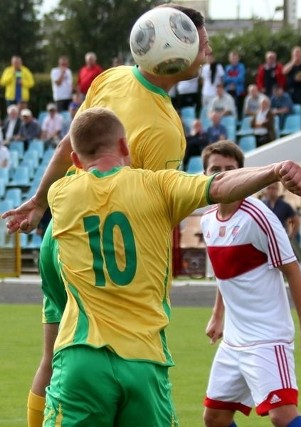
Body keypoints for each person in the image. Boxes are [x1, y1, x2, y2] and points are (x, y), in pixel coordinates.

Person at [1, 6, 213, 427]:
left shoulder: (112, 76)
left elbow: (71, 142)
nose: (207, 48)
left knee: (58, 357)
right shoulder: (166, 131)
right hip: (106, 251)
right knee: (124, 355)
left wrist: (40, 200)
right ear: (176, 50)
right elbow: (149, 210)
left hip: (61, 239)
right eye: (199, 39)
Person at [41, 107, 301, 426]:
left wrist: (34, 202)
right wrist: (274, 170)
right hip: (144, 360)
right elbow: (220, 186)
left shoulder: (61, 194)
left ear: (75, 162)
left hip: (80, 355)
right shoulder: (159, 186)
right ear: (125, 147)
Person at [199, 141, 301, 427]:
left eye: (230, 169)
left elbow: (293, 271)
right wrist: (217, 315)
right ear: (204, 174)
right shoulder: (207, 219)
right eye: (215, 169)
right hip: (233, 340)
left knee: (282, 416)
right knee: (215, 418)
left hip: (268, 338)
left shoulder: (258, 216)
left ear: (243, 174)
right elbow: (225, 274)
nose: (223, 175)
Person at [263, 182, 301, 273]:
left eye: (273, 188)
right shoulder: (263, 205)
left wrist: (292, 234)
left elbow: (296, 220)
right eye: (268, 188)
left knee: (290, 258)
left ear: (277, 190)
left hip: (282, 237)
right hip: (266, 238)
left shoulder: (284, 205)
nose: (270, 190)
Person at [223, 51, 246, 117]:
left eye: (235, 58)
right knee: (229, 109)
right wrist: (235, 79)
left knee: (238, 111)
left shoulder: (241, 67)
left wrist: (232, 81)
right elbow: (225, 79)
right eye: (232, 58)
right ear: (229, 59)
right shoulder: (227, 67)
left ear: (238, 59)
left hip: (238, 93)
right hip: (229, 91)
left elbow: (241, 79)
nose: (234, 60)